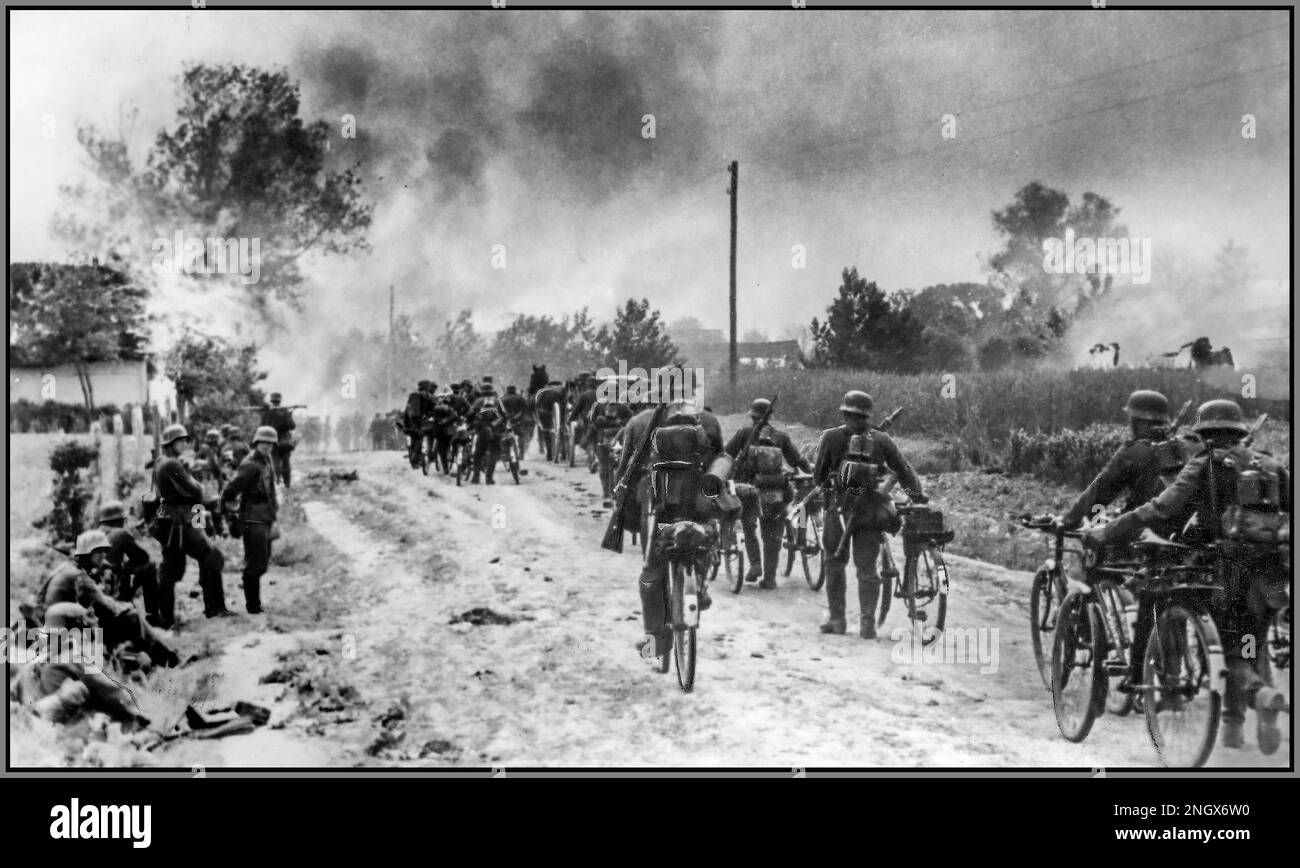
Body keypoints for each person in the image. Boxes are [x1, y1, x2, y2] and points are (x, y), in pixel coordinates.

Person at [1086, 399, 1290, 753]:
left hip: (1226, 570)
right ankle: (1232, 727)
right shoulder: (1271, 465)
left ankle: (1261, 696)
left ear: (1206, 433)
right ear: (1241, 432)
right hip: (1270, 572)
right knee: (1248, 641)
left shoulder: (1205, 465)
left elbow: (1160, 507)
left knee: (1231, 651)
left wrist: (1109, 531)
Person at [812, 391, 924, 638]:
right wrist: (918, 496)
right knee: (867, 568)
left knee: (834, 563)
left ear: (844, 413)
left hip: (838, 511)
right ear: (867, 415)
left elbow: (818, 477)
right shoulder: (882, 439)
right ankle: (867, 624)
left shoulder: (830, 437)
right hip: (869, 513)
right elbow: (904, 471)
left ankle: (838, 621)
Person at [633, 386, 726, 662]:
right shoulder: (709, 422)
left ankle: (656, 642)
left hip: (666, 513)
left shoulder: (655, 423)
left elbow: (649, 470)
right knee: (703, 546)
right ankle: (701, 587)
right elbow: (720, 459)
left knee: (651, 574)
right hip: (700, 508)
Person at [36, 531, 179, 667]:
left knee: (113, 618)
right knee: (132, 618)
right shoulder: (79, 576)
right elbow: (109, 605)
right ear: (87, 554)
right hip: (68, 632)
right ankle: (168, 660)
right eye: (98, 552)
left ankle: (152, 657)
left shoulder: (65, 568)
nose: (103, 555)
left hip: (54, 628)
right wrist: (127, 606)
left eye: (104, 551)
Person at [10, 603, 149, 728]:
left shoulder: (32, 663)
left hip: (35, 726)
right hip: (62, 733)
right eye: (87, 619)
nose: (94, 622)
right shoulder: (76, 661)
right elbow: (121, 698)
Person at [724, 398, 813, 589]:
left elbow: (726, 455)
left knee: (748, 526)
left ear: (752, 416)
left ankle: (755, 564)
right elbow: (797, 460)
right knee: (772, 533)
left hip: (749, 490)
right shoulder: (781, 437)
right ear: (770, 417)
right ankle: (770, 578)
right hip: (775, 490)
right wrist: (810, 471)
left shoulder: (744, 434)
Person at [149, 423, 232, 621]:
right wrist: (200, 490)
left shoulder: (161, 462)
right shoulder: (171, 464)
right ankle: (214, 608)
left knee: (172, 570)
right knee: (213, 557)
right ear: (172, 443)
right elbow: (195, 491)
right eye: (181, 441)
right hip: (180, 521)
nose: (185, 444)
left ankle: (164, 617)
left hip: (169, 521)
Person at [221, 426, 279, 615]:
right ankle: (253, 605)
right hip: (252, 516)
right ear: (256, 443)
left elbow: (271, 487)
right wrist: (230, 515)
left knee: (263, 560)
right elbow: (231, 490)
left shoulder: (266, 460)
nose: (267, 446)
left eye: (270, 443)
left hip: (265, 514)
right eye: (264, 442)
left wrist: (274, 513)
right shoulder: (250, 464)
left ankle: (252, 597)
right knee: (256, 562)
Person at [96, 500, 161, 627]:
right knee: (150, 567)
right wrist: (126, 566)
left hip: (98, 587)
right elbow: (143, 557)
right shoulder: (120, 533)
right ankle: (153, 618)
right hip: (114, 585)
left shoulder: (93, 534)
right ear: (119, 519)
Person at [468, 381, 507, 484]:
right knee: (494, 454)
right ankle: (489, 478)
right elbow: (504, 416)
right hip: (495, 431)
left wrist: (472, 423)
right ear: (491, 391)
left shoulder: (478, 402)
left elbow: (470, 414)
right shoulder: (497, 401)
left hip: (482, 430)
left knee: (478, 454)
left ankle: (476, 477)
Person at [260, 393, 298, 488]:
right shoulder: (285, 412)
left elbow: (261, 427)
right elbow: (292, 426)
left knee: (274, 462)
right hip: (285, 442)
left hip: (272, 442)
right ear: (280, 401)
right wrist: (289, 415)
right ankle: (287, 483)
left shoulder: (266, 413)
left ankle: (276, 483)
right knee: (286, 462)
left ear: (271, 401)